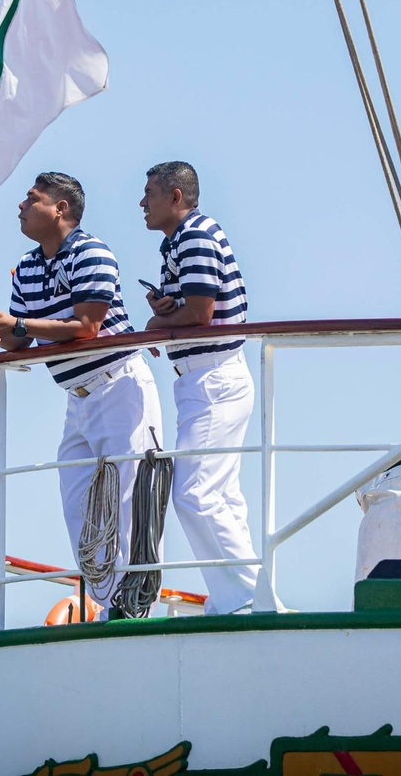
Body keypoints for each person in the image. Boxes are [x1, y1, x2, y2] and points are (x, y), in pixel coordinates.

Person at [0, 171, 162, 617]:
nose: (21, 206)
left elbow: (87, 326)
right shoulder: (27, 267)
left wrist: (19, 327)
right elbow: (22, 340)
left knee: (127, 504)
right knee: (78, 506)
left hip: (119, 386)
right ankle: (106, 602)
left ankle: (129, 608)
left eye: (32, 198)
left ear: (61, 209)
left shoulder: (91, 252)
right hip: (77, 398)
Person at [139, 161, 259, 614]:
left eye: (149, 194)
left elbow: (201, 315)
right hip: (208, 377)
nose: (141, 203)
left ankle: (248, 594)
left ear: (175, 197)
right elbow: (194, 305)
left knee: (195, 493)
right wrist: (168, 306)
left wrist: (156, 321)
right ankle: (238, 597)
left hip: (213, 377)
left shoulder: (193, 236)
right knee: (220, 494)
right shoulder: (183, 240)